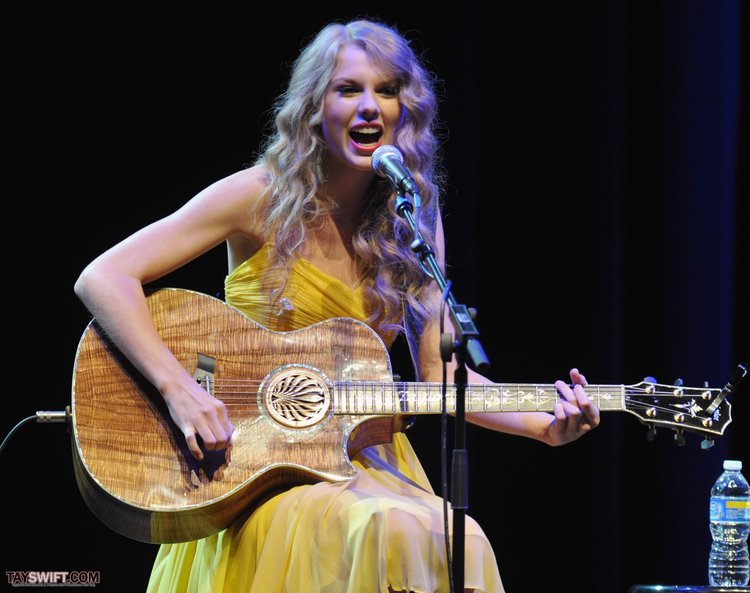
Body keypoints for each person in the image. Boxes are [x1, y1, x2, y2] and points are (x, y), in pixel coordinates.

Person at [74, 18, 600, 593]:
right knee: (382, 528)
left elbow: (440, 374)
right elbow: (104, 276)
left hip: (362, 459)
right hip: (259, 465)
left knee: (463, 538)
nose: (370, 106)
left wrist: (542, 425)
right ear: (314, 108)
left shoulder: (413, 217)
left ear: (407, 111)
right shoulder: (260, 196)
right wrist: (181, 390)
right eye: (348, 89)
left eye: (387, 90)